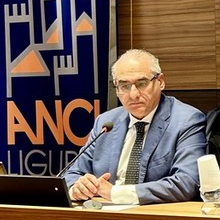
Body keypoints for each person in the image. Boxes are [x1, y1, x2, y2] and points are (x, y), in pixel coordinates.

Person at [66, 49, 208, 205]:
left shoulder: (186, 120)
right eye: (124, 86)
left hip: (152, 214)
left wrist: (116, 193)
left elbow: (187, 182)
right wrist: (77, 188)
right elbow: (71, 174)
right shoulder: (105, 122)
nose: (133, 95)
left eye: (141, 84)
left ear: (160, 81)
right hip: (103, 213)